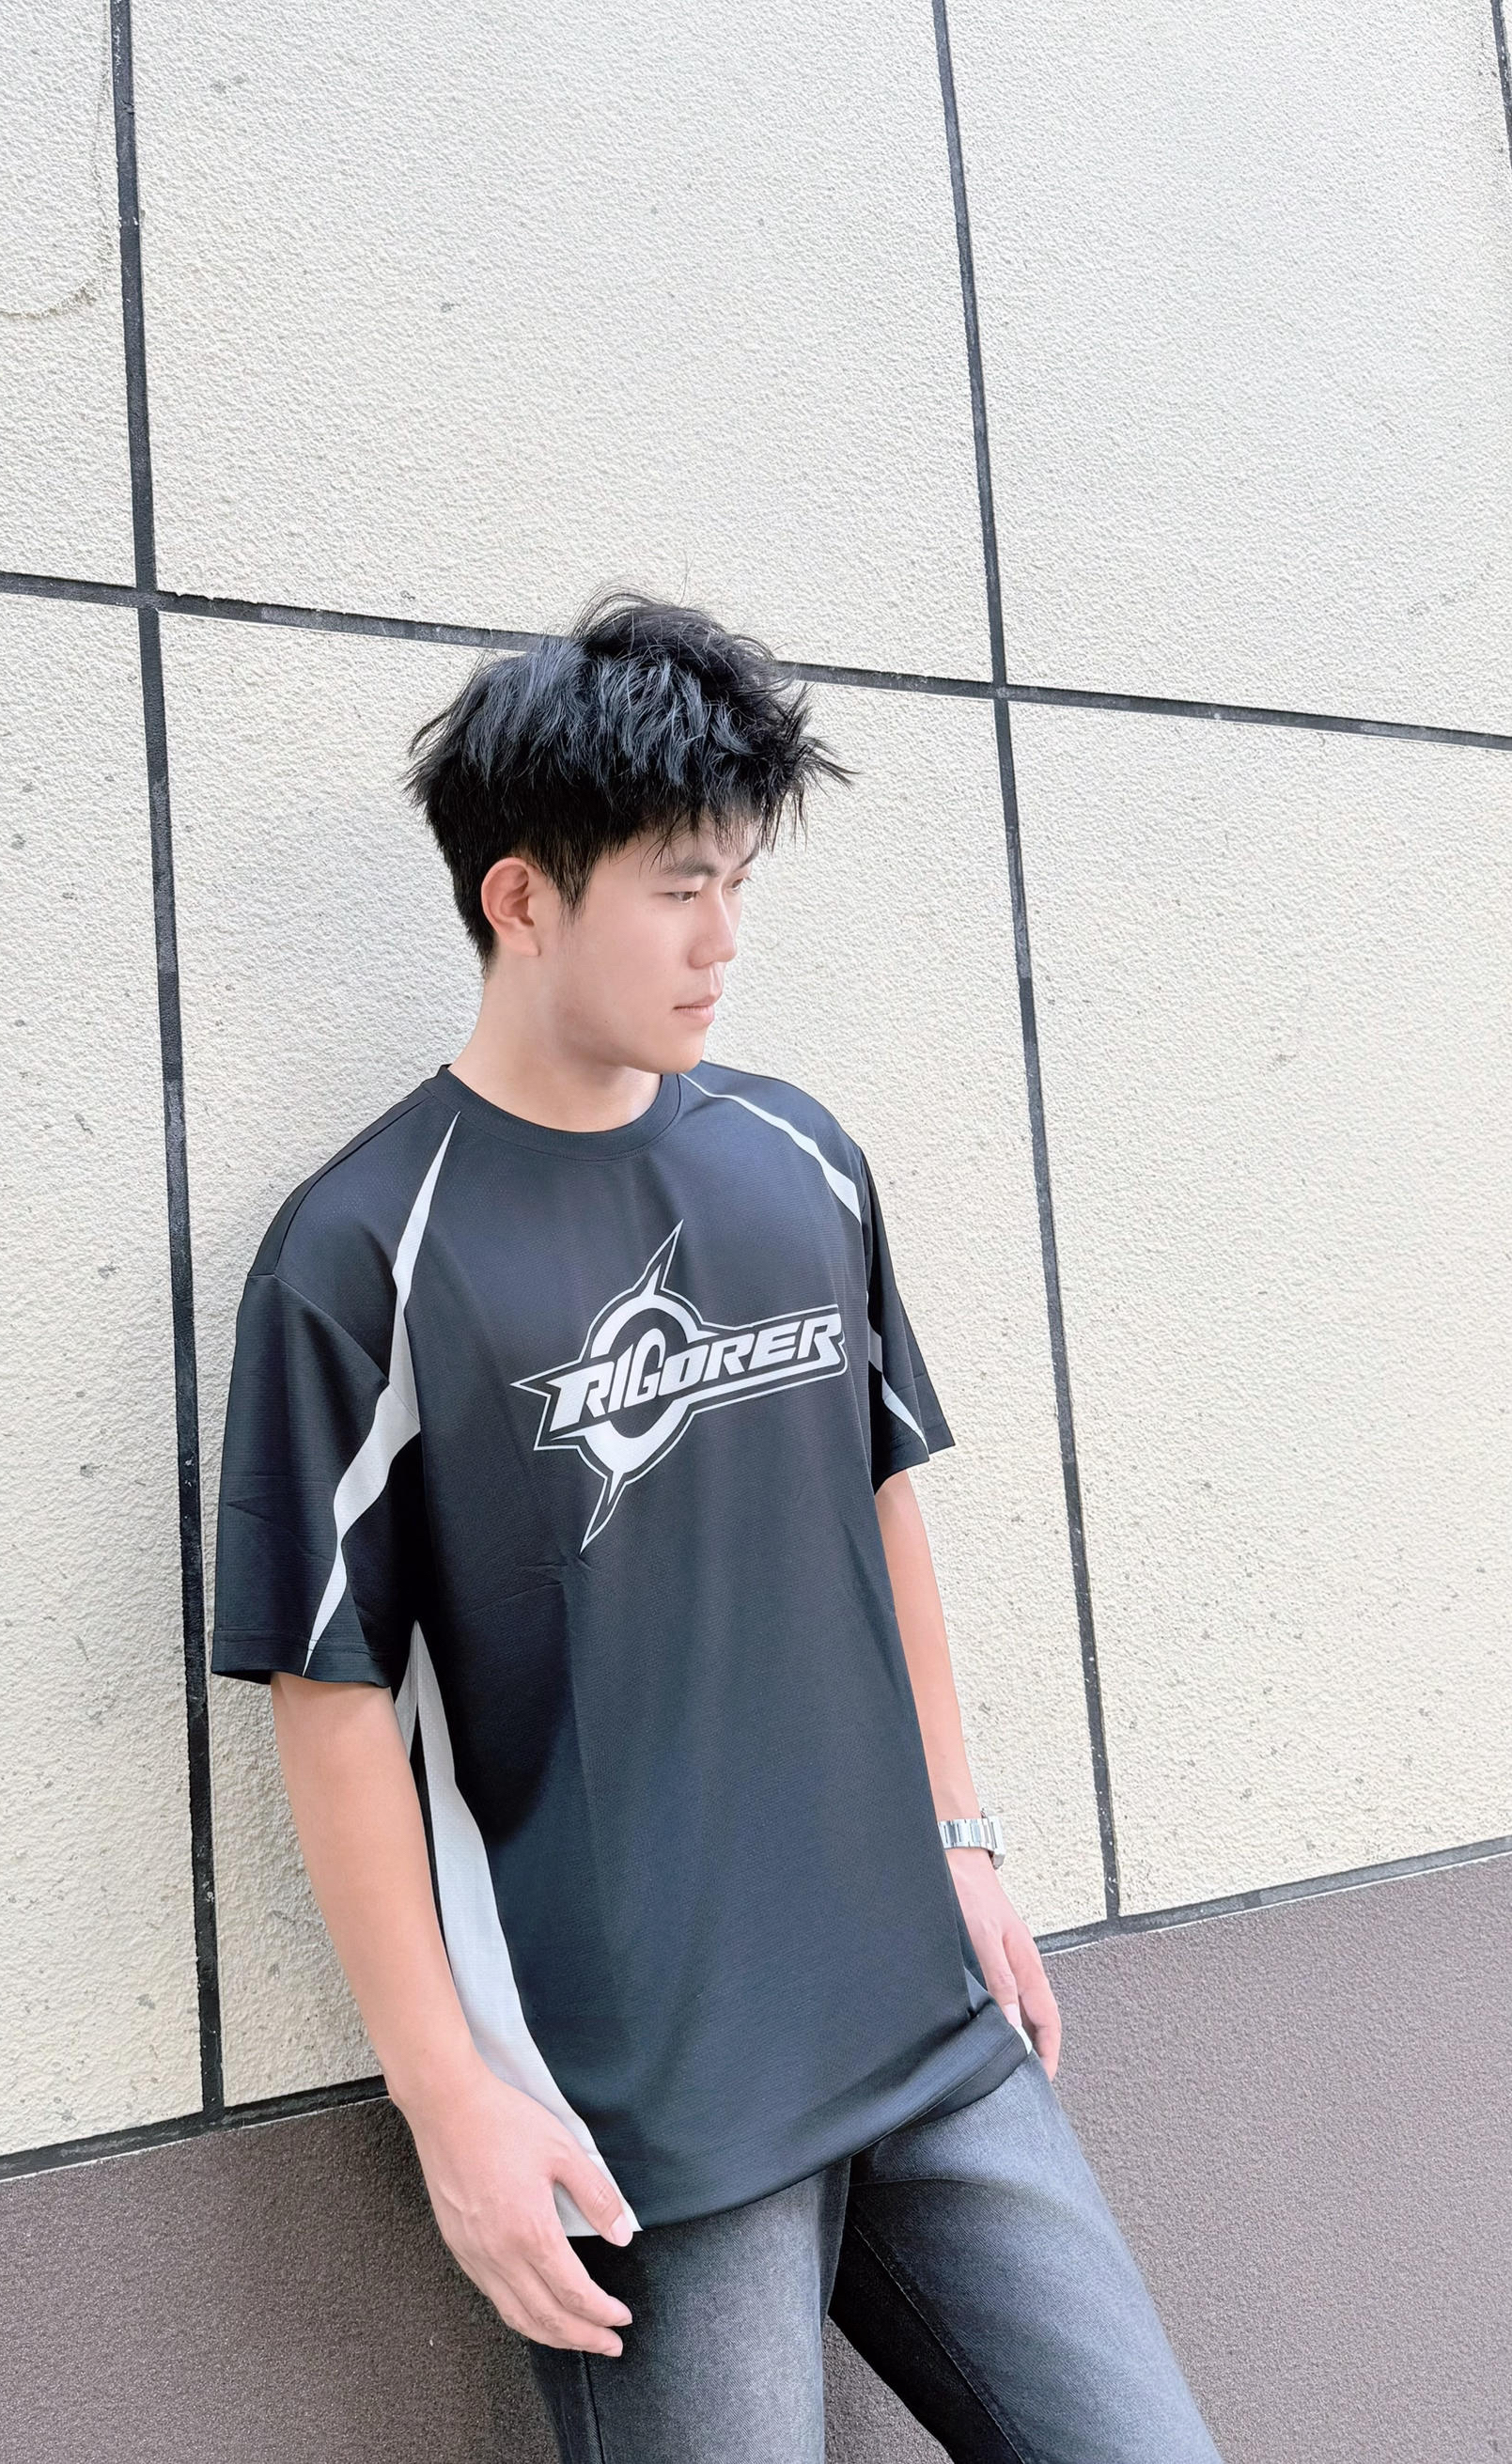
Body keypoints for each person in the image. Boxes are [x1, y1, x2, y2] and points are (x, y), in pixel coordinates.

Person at [209, 595, 1224, 2462]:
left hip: (919, 2019)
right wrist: (449, 2105)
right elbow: (329, 1697)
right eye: (678, 887)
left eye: (738, 882)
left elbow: (876, 1499)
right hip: (644, 2108)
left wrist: (961, 1838)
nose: (722, 939)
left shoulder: (797, 1156)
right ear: (521, 898)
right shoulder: (362, 1252)